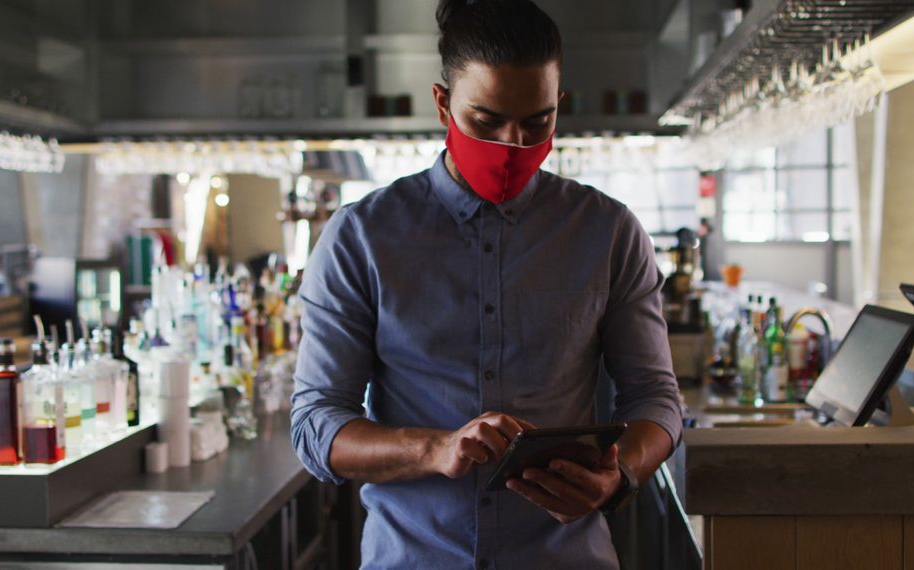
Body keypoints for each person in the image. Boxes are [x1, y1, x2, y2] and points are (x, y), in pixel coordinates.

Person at [290, 1, 683, 568]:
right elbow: (316, 423)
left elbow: (656, 396)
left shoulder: (609, 232)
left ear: (559, 107)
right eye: (487, 121)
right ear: (443, 103)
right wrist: (435, 448)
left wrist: (619, 474)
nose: (512, 144)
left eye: (537, 123)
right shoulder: (361, 237)